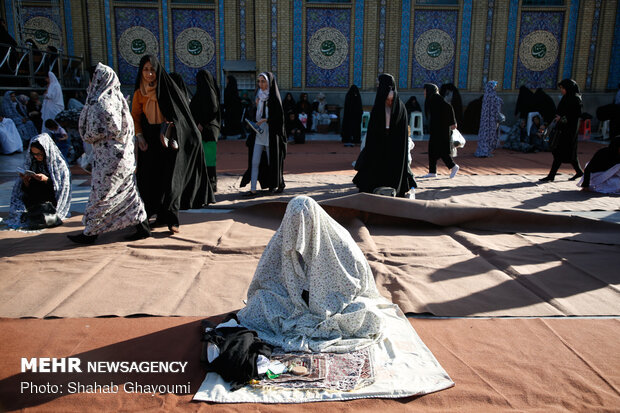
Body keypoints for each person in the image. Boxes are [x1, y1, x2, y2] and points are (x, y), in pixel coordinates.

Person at [237, 195, 385, 353]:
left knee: (366, 313)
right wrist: (293, 296)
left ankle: (316, 323)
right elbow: (266, 277)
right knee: (258, 304)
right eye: (294, 222)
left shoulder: (339, 240)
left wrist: (323, 302)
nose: (299, 230)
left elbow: (355, 283)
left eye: (304, 223)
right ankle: (308, 322)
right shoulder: (282, 239)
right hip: (290, 301)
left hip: (333, 302)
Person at [67, 63, 150, 244]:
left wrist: (87, 133)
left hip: (109, 158)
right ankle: (142, 227)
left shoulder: (101, 101)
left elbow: (98, 130)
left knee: (102, 195)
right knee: (126, 191)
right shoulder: (117, 97)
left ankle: (91, 233)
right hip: (123, 156)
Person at [131, 54, 214, 234]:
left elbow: (181, 115)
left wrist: (176, 132)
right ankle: (151, 217)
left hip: (167, 140)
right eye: (145, 69)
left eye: (152, 69)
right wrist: (140, 137)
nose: (149, 74)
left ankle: (172, 219)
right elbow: (136, 117)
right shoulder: (139, 93)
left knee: (170, 180)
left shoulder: (167, 89)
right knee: (149, 180)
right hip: (149, 141)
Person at [353, 73, 416, 197]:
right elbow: (374, 128)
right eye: (388, 100)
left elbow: (400, 128)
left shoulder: (399, 106)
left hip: (394, 142)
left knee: (392, 166)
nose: (389, 102)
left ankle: (394, 187)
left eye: (391, 100)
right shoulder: (379, 106)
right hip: (379, 141)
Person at [5, 133, 71, 229]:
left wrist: (46, 180)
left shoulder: (59, 165)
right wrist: (26, 181)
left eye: (39, 154)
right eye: (34, 154)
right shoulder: (33, 163)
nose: (36, 157)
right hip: (34, 199)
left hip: (50, 199)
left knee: (44, 212)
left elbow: (61, 189)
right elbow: (26, 189)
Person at [240, 72, 286, 197]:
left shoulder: (274, 98)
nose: (261, 84)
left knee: (272, 161)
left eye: (263, 81)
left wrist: (266, 120)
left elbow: (278, 117)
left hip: (271, 134)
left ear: (269, 83)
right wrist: (256, 107)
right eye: (259, 81)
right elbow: (255, 115)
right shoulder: (258, 96)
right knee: (255, 161)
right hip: (259, 133)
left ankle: (274, 185)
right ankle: (253, 188)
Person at [539, 79, 584, 182]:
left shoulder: (575, 99)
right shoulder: (567, 98)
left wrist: (563, 118)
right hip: (562, 129)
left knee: (562, 152)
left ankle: (552, 175)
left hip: (570, 131)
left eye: (563, 88)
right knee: (567, 153)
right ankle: (579, 172)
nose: (562, 90)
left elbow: (575, 116)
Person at [191, 69, 221, 192]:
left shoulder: (208, 94)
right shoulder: (208, 93)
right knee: (207, 159)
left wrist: (202, 123)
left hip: (208, 131)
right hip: (209, 131)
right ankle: (208, 184)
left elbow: (212, 110)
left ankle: (211, 185)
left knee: (209, 159)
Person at [421, 83, 459, 178]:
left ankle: (453, 166)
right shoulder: (432, 99)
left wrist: (453, 122)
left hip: (441, 130)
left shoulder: (436, 99)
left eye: (425, 91)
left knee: (442, 150)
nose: (424, 93)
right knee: (432, 150)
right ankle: (432, 172)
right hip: (436, 129)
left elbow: (448, 107)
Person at [474, 81, 504, 157]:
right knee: (490, 135)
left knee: (484, 135)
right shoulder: (494, 98)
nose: (495, 88)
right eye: (494, 86)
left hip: (485, 121)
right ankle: (486, 151)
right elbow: (496, 109)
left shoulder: (486, 96)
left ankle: (482, 150)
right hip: (491, 120)